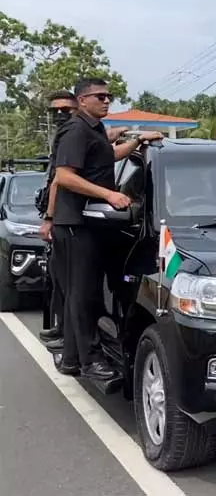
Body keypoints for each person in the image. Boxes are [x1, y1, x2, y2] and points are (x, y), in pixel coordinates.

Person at [52, 78, 162, 379]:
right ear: (82, 100)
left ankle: (72, 359)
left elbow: (109, 156)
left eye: (108, 96)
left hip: (92, 223)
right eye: (99, 96)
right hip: (75, 223)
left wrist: (138, 141)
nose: (106, 101)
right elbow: (63, 176)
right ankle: (91, 360)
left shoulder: (95, 129)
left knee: (84, 293)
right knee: (82, 295)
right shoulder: (75, 130)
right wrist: (109, 194)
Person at [37, 90, 78, 346]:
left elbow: (59, 182)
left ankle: (67, 335)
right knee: (56, 280)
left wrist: (49, 218)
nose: (61, 115)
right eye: (56, 111)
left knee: (68, 284)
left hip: (65, 218)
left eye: (66, 109)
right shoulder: (63, 135)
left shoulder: (77, 132)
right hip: (57, 216)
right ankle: (60, 327)